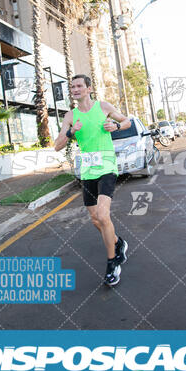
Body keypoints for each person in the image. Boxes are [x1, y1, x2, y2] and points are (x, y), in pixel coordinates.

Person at [54, 75, 131, 287]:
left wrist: (115, 126)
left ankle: (112, 261)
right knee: (96, 220)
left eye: (79, 86)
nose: (75, 89)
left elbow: (127, 121)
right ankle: (118, 242)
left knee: (103, 215)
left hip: (107, 167)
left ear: (89, 88)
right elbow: (57, 145)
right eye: (73, 87)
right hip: (88, 171)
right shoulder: (70, 116)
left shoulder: (103, 107)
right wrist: (71, 131)